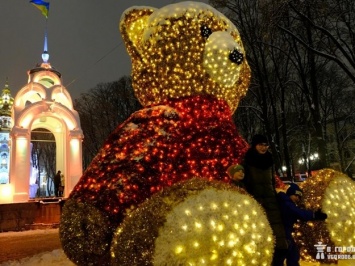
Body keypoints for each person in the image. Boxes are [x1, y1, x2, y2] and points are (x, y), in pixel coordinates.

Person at [243, 134, 288, 265]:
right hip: (256, 201)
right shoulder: (248, 161)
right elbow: (245, 181)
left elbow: (272, 181)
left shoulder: (270, 161)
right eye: (260, 145)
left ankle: (278, 260)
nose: (263, 147)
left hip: (271, 199)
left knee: (278, 232)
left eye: (265, 145)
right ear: (254, 145)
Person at [278, 183, 327, 266]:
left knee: (292, 254)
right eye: (296, 195)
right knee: (288, 254)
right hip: (283, 232)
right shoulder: (286, 202)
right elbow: (298, 212)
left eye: (299, 197)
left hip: (285, 231)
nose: (298, 198)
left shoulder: (286, 202)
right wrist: (314, 215)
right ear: (290, 193)